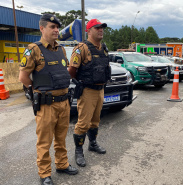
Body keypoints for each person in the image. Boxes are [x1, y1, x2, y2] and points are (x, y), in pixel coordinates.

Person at [19, 14, 78, 185]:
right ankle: (45, 173)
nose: (56, 30)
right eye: (52, 27)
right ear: (42, 28)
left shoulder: (61, 49)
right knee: (44, 141)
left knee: (61, 138)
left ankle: (62, 164)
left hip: (64, 102)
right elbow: (23, 77)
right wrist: (37, 89)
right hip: (46, 104)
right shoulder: (33, 49)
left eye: (57, 27)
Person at [68, 19, 110, 167]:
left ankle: (92, 144)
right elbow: (72, 70)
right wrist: (81, 82)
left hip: (100, 90)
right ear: (89, 30)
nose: (101, 30)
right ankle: (78, 151)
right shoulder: (81, 48)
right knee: (83, 123)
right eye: (97, 27)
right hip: (87, 91)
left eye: (102, 28)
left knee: (95, 121)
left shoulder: (103, 47)